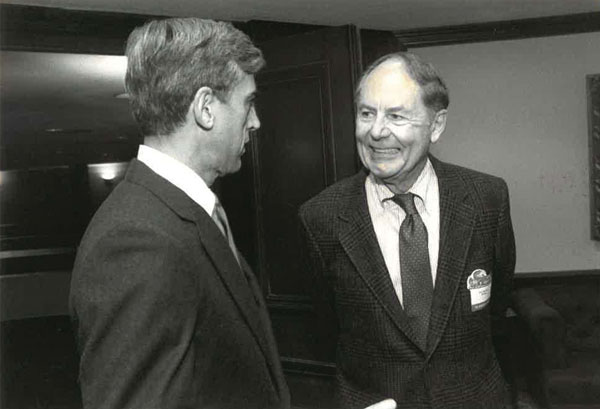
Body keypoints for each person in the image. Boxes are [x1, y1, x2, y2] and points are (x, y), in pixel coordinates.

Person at [70, 17, 397, 409]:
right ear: (206, 109)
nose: (256, 121)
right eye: (248, 102)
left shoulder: (183, 213)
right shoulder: (137, 242)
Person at [299, 52, 516, 409]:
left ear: (437, 124)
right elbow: (326, 329)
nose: (376, 131)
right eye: (366, 113)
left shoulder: (486, 200)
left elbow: (496, 308)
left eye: (396, 115)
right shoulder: (321, 217)